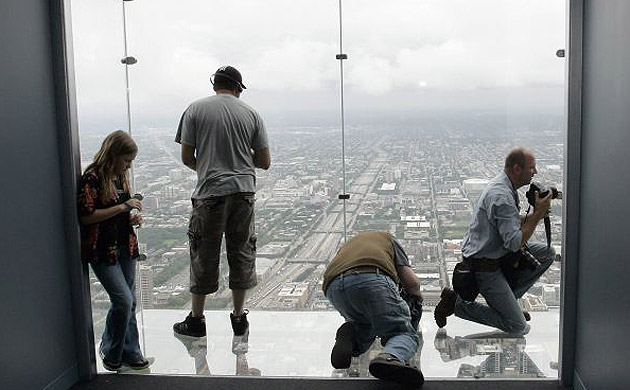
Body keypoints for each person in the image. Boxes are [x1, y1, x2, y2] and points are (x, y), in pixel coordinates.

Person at [173, 65, 270, 338]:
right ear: (238, 88)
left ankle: (197, 320)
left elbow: (187, 157)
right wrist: (239, 162)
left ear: (214, 84)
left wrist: (210, 168)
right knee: (241, 252)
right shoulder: (251, 114)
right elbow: (264, 162)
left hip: (210, 192)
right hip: (243, 192)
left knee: (204, 253)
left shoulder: (194, 109)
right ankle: (239, 318)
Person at [434, 147, 555, 335]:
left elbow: (509, 224)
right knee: (518, 327)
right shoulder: (502, 196)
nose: (535, 172)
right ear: (517, 169)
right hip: (484, 267)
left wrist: (535, 216)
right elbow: (514, 243)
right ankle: (457, 305)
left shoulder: (505, 185)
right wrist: (538, 213)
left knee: (548, 253)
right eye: (532, 168)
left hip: (495, 255)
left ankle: (507, 306)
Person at [77, 130, 150, 371]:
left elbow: (120, 211)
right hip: (102, 250)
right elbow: (87, 217)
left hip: (125, 246)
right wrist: (123, 207)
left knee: (129, 303)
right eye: (126, 160)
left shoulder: (119, 178)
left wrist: (132, 217)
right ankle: (110, 350)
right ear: (114, 154)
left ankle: (129, 352)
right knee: (123, 300)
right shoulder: (92, 178)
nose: (128, 167)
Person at [323, 232, 425, 388]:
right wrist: (417, 298)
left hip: (333, 288)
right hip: (372, 278)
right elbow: (411, 283)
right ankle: (391, 357)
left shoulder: (349, 245)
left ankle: (352, 339)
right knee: (404, 333)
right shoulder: (389, 240)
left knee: (365, 325)